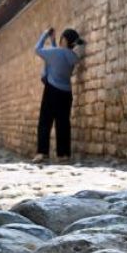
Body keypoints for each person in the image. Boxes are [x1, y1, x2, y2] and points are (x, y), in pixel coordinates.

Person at [33, 27, 84, 163]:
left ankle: (42, 152)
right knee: (63, 123)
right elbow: (57, 58)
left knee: (45, 121)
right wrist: (54, 41)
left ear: (65, 40)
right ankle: (64, 154)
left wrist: (44, 35)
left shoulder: (54, 53)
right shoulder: (73, 57)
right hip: (66, 92)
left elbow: (37, 49)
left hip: (51, 91)